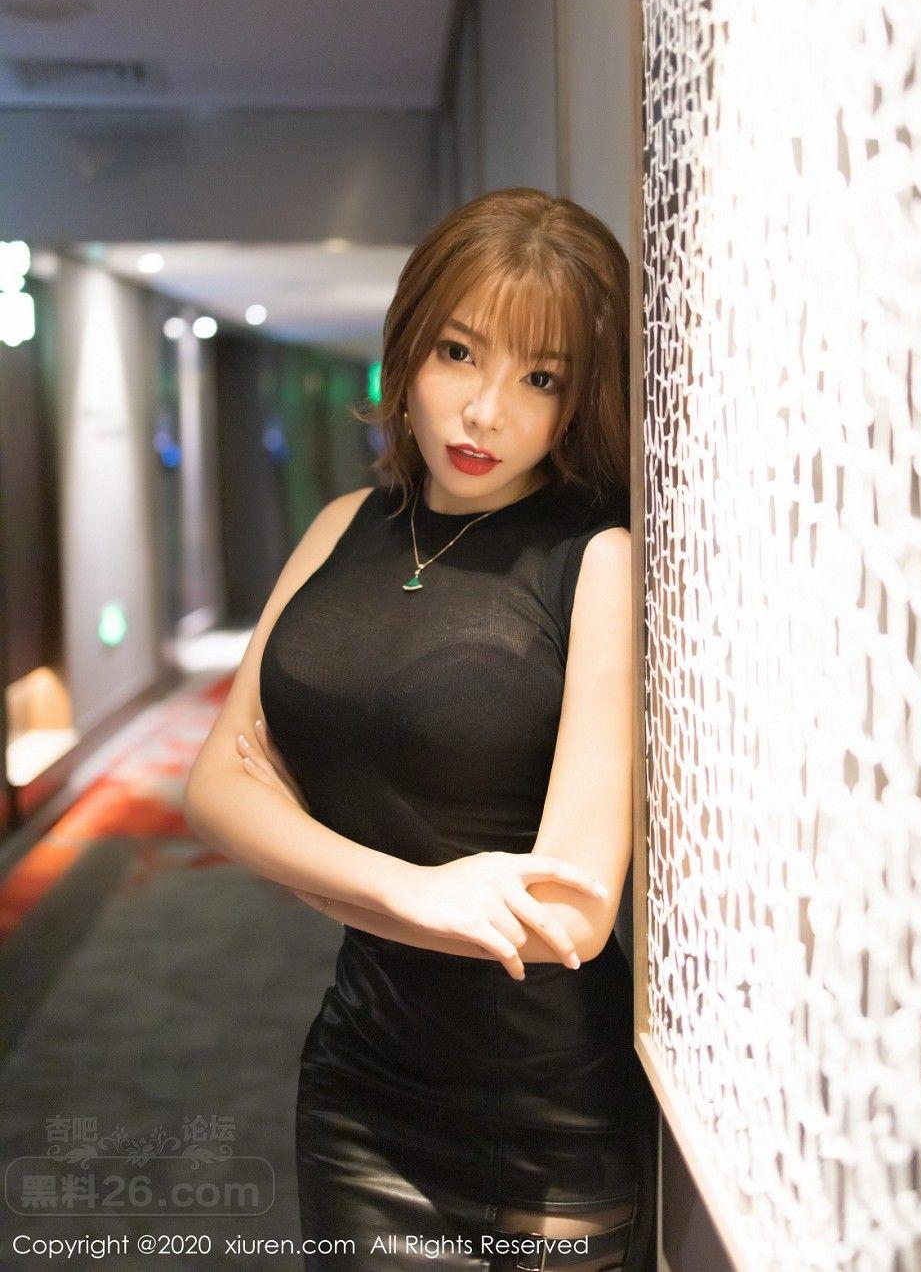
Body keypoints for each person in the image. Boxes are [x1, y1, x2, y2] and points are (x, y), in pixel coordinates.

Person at [183, 187, 657, 1271]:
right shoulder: (342, 526)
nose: (484, 411)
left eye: (540, 379)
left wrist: (308, 870)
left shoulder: (596, 558)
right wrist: (406, 889)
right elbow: (214, 787)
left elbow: (568, 918)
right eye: (459, 353)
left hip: (544, 1116)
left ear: (581, 398)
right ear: (408, 347)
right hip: (360, 1084)